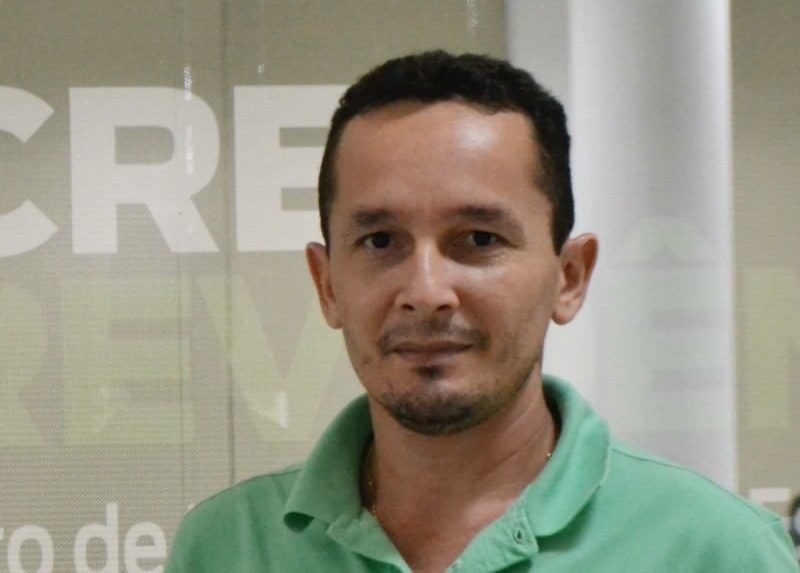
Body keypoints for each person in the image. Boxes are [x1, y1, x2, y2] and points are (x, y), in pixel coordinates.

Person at [165, 51, 800, 572]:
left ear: (570, 277)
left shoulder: (719, 552)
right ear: (327, 284)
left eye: (478, 239)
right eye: (380, 241)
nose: (426, 291)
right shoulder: (227, 548)